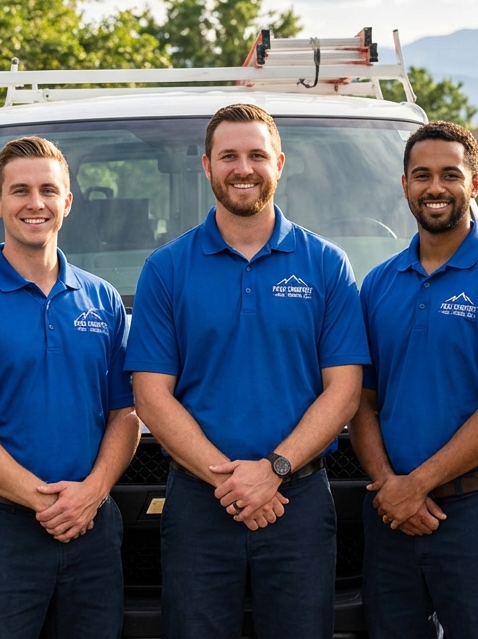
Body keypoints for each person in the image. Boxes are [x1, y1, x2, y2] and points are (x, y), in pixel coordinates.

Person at [126, 103, 369, 639]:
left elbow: (345, 389)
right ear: (207, 166)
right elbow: (150, 395)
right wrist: (231, 480)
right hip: (198, 503)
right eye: (229, 155)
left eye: (257, 155)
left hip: (298, 500)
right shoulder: (166, 269)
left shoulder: (326, 265)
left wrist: (273, 470)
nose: (244, 168)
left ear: (279, 163)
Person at [0, 136, 137, 639]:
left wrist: (92, 493)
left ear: (67, 201)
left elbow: (126, 414)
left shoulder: (101, 299)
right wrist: (45, 502)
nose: (34, 203)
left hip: (93, 529)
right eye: (20, 191)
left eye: (48, 190)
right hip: (3, 533)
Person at [351, 121, 478, 639]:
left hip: (476, 515)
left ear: (474, 184)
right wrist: (393, 488)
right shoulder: (377, 284)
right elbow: (360, 402)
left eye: (449, 175)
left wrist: (416, 485)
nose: (435, 187)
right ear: (405, 185)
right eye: (422, 175)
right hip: (389, 514)